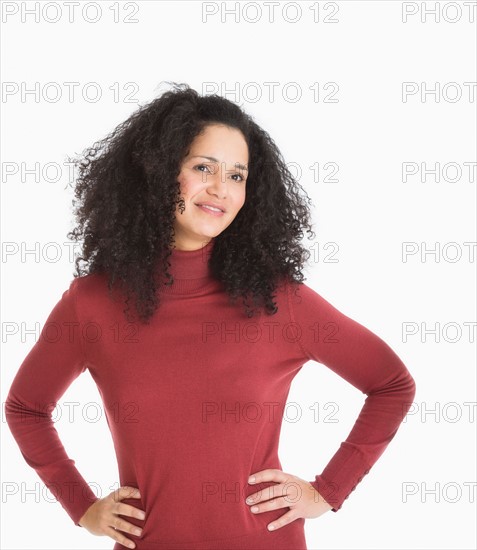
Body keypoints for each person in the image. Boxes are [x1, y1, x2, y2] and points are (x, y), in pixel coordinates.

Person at [5, 82, 416, 550]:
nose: (221, 188)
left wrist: (329, 490)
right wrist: (81, 507)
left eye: (238, 176)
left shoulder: (278, 300)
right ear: (158, 172)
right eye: (204, 167)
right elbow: (26, 408)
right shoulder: (92, 303)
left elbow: (391, 384)